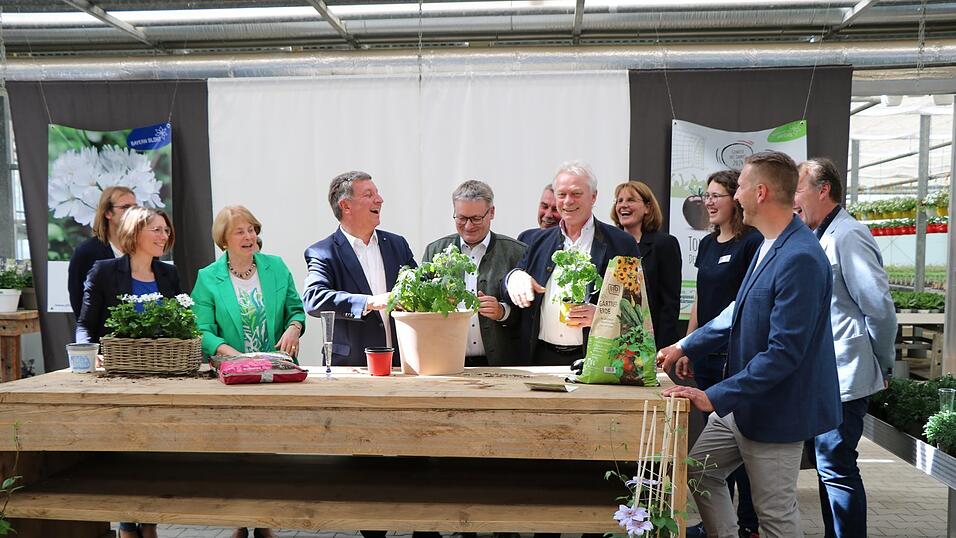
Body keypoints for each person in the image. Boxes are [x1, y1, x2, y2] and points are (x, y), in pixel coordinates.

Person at [657, 151, 842, 538]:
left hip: (775, 410)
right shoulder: (769, 244)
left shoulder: (801, 257)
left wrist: (714, 396)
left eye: (738, 186)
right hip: (743, 406)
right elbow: (736, 311)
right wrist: (685, 344)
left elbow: (784, 353)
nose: (734, 195)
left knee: (774, 515)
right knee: (697, 472)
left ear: (760, 192)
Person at [794, 157, 897, 538]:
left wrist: (882, 364)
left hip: (845, 374)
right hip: (826, 377)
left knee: (837, 466)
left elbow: (880, 309)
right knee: (828, 466)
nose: (792, 200)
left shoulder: (849, 234)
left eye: (798, 190)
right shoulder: (820, 235)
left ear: (824, 190)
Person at [75, 206, 179, 538]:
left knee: (155, 452)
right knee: (123, 452)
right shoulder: (104, 271)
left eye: (166, 230)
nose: (165, 236)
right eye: (157, 230)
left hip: (159, 380)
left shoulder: (168, 275)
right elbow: (85, 326)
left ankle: (148, 521)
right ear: (135, 233)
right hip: (116, 378)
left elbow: (180, 325)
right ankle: (125, 522)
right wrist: (93, 356)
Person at [684, 171, 763, 538]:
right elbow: (701, 299)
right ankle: (721, 521)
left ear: (737, 199)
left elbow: (744, 307)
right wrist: (688, 344)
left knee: (741, 444)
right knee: (717, 448)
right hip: (707, 359)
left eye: (717, 195)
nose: (709, 202)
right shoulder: (708, 243)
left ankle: (749, 524)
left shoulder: (752, 244)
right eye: (706, 196)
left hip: (735, 360)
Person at [504, 161, 640, 365]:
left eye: (576, 194)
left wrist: (603, 314)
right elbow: (508, 292)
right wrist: (513, 277)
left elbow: (636, 307)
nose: (567, 201)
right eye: (562, 194)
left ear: (593, 197)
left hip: (595, 360)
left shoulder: (621, 243)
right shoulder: (537, 241)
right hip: (539, 357)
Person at [302, 170, 416, 367]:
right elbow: (314, 300)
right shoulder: (322, 252)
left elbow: (419, 287)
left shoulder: (397, 245)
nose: (379, 200)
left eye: (377, 193)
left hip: (402, 364)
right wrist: (370, 302)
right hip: (352, 366)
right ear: (346, 206)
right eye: (369, 195)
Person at [423, 180, 526, 367]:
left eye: (476, 218)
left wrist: (502, 312)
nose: (468, 226)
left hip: (501, 364)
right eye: (461, 218)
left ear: (492, 213)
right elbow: (421, 308)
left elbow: (531, 317)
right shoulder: (435, 251)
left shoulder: (516, 252)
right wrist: (437, 305)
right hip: (447, 362)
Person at [191, 205, 306, 360]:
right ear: (224, 241)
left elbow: (295, 311)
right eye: (240, 232)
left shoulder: (276, 267)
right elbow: (202, 331)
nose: (248, 236)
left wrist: (294, 328)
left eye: (251, 230)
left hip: (279, 367)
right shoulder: (207, 277)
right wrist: (239, 358)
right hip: (233, 370)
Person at [610, 180, 682, 349]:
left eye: (631, 200)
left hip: (652, 340)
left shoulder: (665, 244)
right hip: (614, 340)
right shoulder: (609, 244)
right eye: (619, 201)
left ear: (648, 208)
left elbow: (669, 303)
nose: (623, 205)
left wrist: (663, 348)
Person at [67, 186, 137, 317]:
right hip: (102, 333)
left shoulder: (143, 249)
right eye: (125, 207)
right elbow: (78, 297)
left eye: (135, 207)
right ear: (108, 213)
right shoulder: (87, 252)